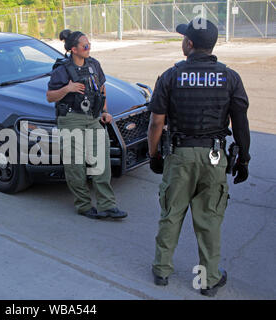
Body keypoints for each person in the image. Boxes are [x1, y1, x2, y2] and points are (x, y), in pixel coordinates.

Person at [147, 18, 250, 297]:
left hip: (179, 156)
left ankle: (161, 270)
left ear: (190, 44)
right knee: (209, 221)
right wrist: (244, 159)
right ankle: (207, 280)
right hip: (214, 157)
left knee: (171, 214)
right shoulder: (229, 77)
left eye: (184, 38)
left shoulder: (170, 76)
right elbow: (240, 122)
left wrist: (154, 154)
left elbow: (156, 123)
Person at [46, 29, 126, 220]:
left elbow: (101, 88)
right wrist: (68, 88)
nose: (89, 47)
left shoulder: (93, 64)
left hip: (92, 118)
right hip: (71, 119)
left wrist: (105, 111)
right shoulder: (62, 70)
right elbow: (50, 97)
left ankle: (107, 205)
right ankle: (83, 205)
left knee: (102, 163)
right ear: (74, 49)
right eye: (85, 45)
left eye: (89, 44)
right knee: (76, 165)